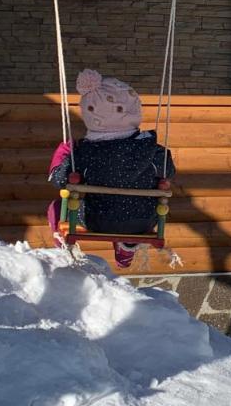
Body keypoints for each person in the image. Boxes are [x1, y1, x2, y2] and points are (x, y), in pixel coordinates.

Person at [46, 69, 175, 269]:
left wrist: (63, 152)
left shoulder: (84, 153)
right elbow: (168, 172)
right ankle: (127, 246)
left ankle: (63, 247)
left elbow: (59, 178)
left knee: (58, 206)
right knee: (126, 205)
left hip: (96, 220)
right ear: (134, 110)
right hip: (144, 222)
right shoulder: (152, 150)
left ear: (90, 114)